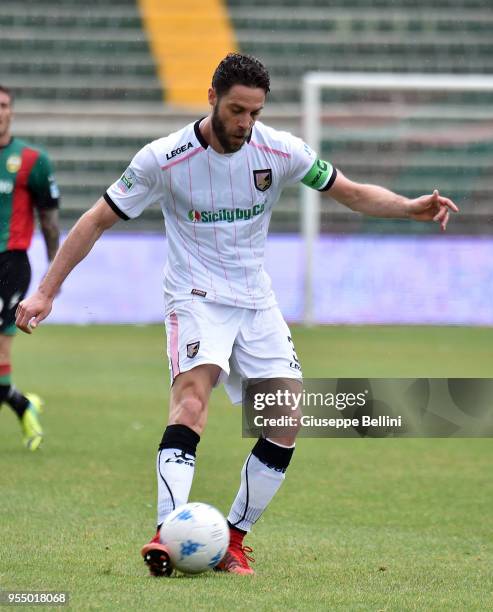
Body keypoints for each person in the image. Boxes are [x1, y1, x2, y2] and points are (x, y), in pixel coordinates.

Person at [15, 54, 458, 573]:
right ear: (212, 98)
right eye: (236, 110)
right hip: (195, 297)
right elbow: (94, 221)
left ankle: (232, 541)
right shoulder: (163, 159)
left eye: (254, 112)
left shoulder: (280, 149)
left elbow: (351, 192)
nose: (245, 123)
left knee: (287, 418)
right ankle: (167, 533)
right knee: (191, 403)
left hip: (256, 300)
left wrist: (410, 207)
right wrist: (47, 291)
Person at [0, 85, 60, 451]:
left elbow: (50, 221)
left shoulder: (31, 160)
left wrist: (54, 273)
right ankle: (23, 403)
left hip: (9, 264)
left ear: (11, 112)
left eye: (3, 105)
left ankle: (22, 406)